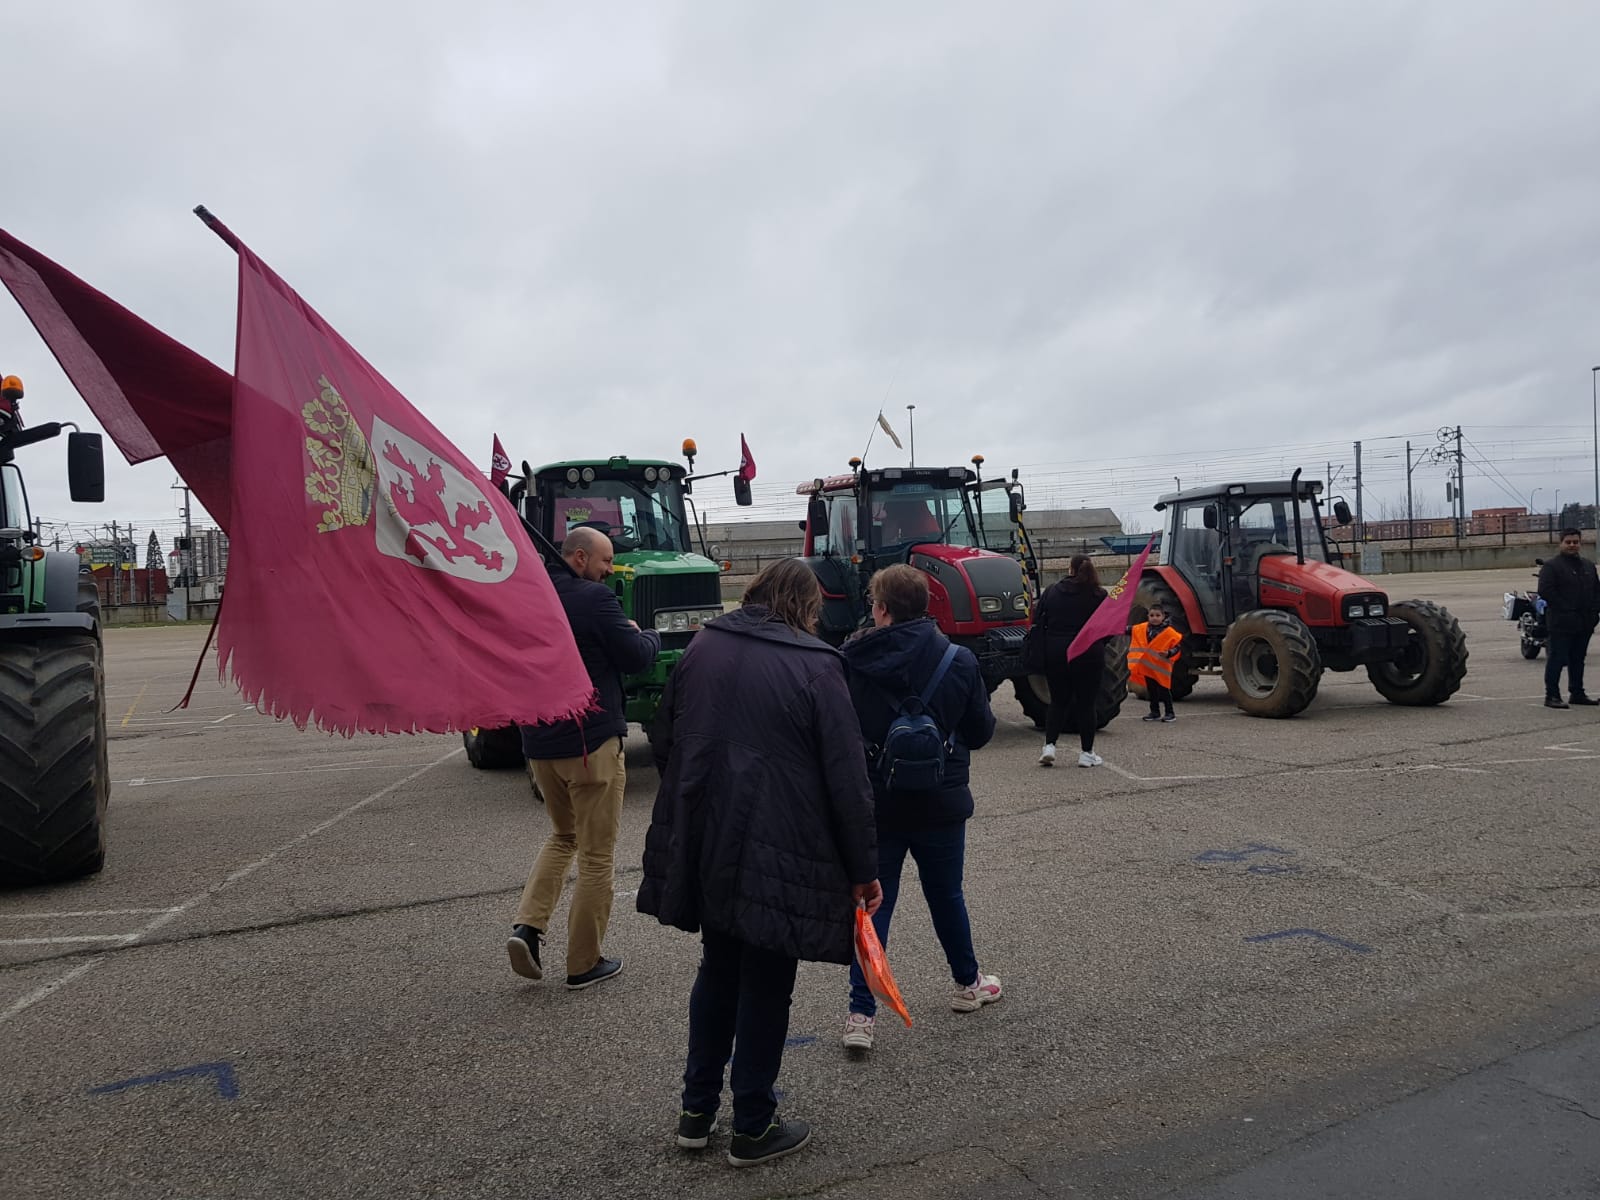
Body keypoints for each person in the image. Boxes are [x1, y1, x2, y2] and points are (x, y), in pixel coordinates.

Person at [638, 558, 881, 1168]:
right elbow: (847, 778)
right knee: (768, 979)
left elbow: (663, 738)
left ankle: (696, 1111)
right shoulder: (817, 664)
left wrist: (698, 796)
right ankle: (752, 1122)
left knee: (718, 968)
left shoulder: (703, 646)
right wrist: (863, 868)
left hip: (709, 835)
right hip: (780, 841)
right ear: (805, 604)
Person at [839, 564, 1000, 1054]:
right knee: (946, 895)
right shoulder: (959, 658)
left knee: (872, 905)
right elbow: (980, 732)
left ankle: (861, 1014)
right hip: (941, 799)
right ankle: (968, 984)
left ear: (882, 608)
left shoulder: (851, 659)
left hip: (879, 801)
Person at [506, 526, 661, 990]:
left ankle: (527, 928)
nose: (609, 570)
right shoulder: (594, 600)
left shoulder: (528, 598)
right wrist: (646, 633)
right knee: (596, 856)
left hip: (539, 746)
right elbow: (635, 657)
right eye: (604, 561)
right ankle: (583, 962)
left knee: (561, 836)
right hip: (590, 745)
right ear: (577, 558)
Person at [1034, 554, 1110, 767]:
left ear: (1070, 569)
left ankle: (1049, 746)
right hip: (1089, 653)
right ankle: (1087, 753)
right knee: (1086, 704)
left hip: (1057, 653)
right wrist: (1099, 645)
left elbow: (1039, 620)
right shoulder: (1099, 595)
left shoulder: (1052, 592)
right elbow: (1109, 626)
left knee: (1058, 701)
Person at [1538, 528, 1600, 709]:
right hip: (1561, 622)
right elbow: (1546, 591)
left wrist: (1595, 611)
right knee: (1557, 658)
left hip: (1585, 622)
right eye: (1568, 542)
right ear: (1561, 543)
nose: (1572, 545)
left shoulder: (1588, 566)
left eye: (1575, 542)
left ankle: (1577, 693)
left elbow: (1597, 590)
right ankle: (1552, 695)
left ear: (1580, 543)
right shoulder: (1552, 566)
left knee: (1578, 658)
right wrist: (1566, 608)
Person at [1129, 602, 1182, 723]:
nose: (1154, 618)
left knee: (1164, 690)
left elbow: (1177, 647)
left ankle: (1170, 712)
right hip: (1149, 668)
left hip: (1161, 668)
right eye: (1152, 615)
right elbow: (1130, 630)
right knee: (1152, 690)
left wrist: (1169, 653)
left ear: (1163, 616)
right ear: (1148, 616)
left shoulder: (1169, 632)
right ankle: (1155, 712)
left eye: (1157, 615)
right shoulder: (1143, 629)